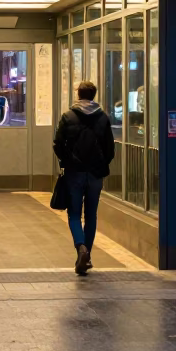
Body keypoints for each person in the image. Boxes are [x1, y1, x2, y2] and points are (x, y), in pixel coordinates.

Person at [53, 79, 115, 276]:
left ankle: (81, 249)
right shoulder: (103, 118)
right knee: (91, 215)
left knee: (73, 214)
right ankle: (87, 255)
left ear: (78, 95)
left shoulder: (68, 116)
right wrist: (101, 163)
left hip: (74, 173)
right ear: (94, 95)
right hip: (95, 174)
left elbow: (57, 144)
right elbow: (110, 149)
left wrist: (67, 161)